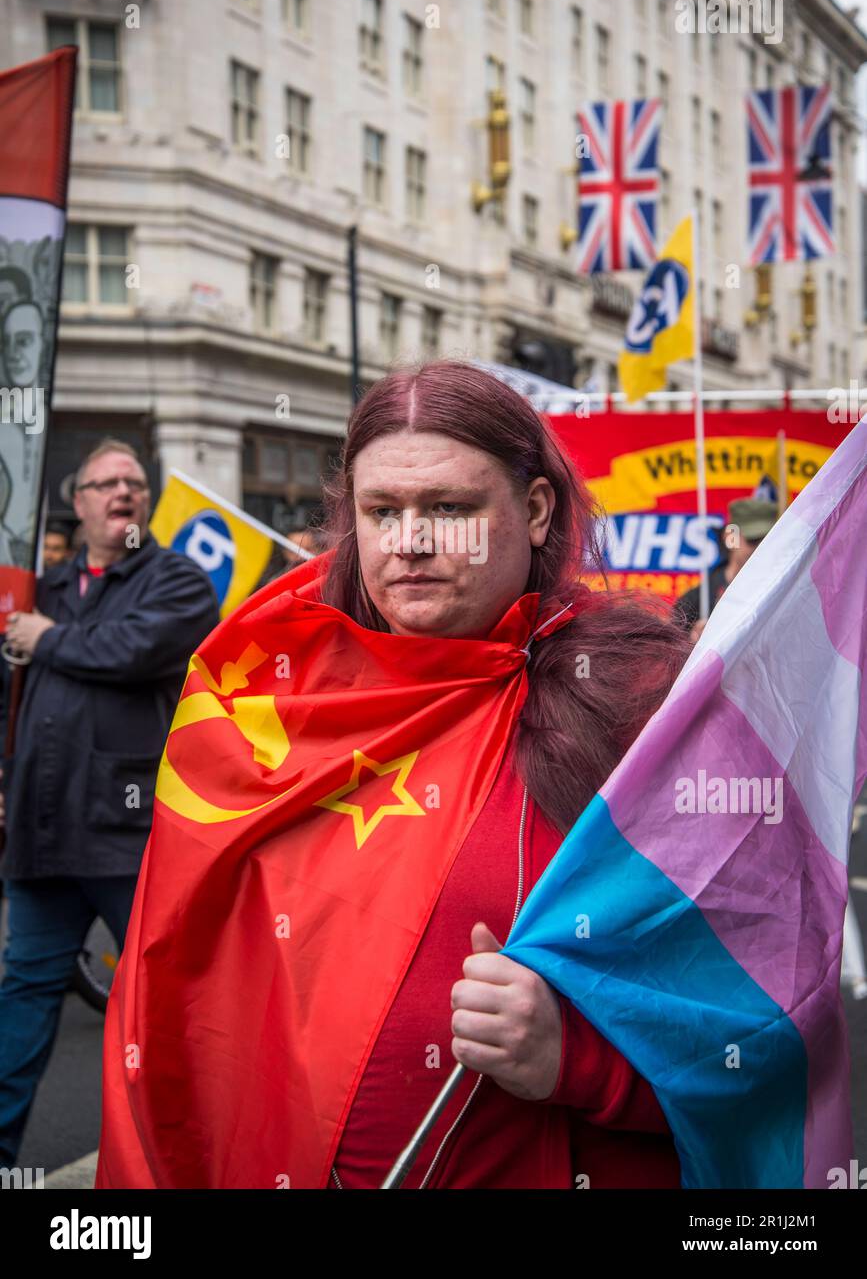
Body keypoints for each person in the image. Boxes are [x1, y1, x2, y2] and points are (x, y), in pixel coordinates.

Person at [96, 362, 690, 1190]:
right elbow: (188, 981)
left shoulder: (643, 701)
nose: (409, 541)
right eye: (383, 512)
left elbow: (759, 1011)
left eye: (450, 508)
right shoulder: (275, 695)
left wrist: (579, 1060)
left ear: (534, 509)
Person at [0, 438, 220, 1168]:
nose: (123, 492)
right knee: (26, 994)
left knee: (162, 1004)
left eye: (134, 483)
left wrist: (49, 639)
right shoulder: (46, 588)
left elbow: (135, 648)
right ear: (81, 500)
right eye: (107, 483)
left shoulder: (179, 580)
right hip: (42, 829)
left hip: (131, 833)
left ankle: (181, 1158)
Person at [675, 495, 777, 643]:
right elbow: (667, 652)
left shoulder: (782, 590)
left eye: (770, 540)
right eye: (754, 540)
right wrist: (691, 644)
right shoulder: (695, 601)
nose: (762, 548)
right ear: (730, 537)